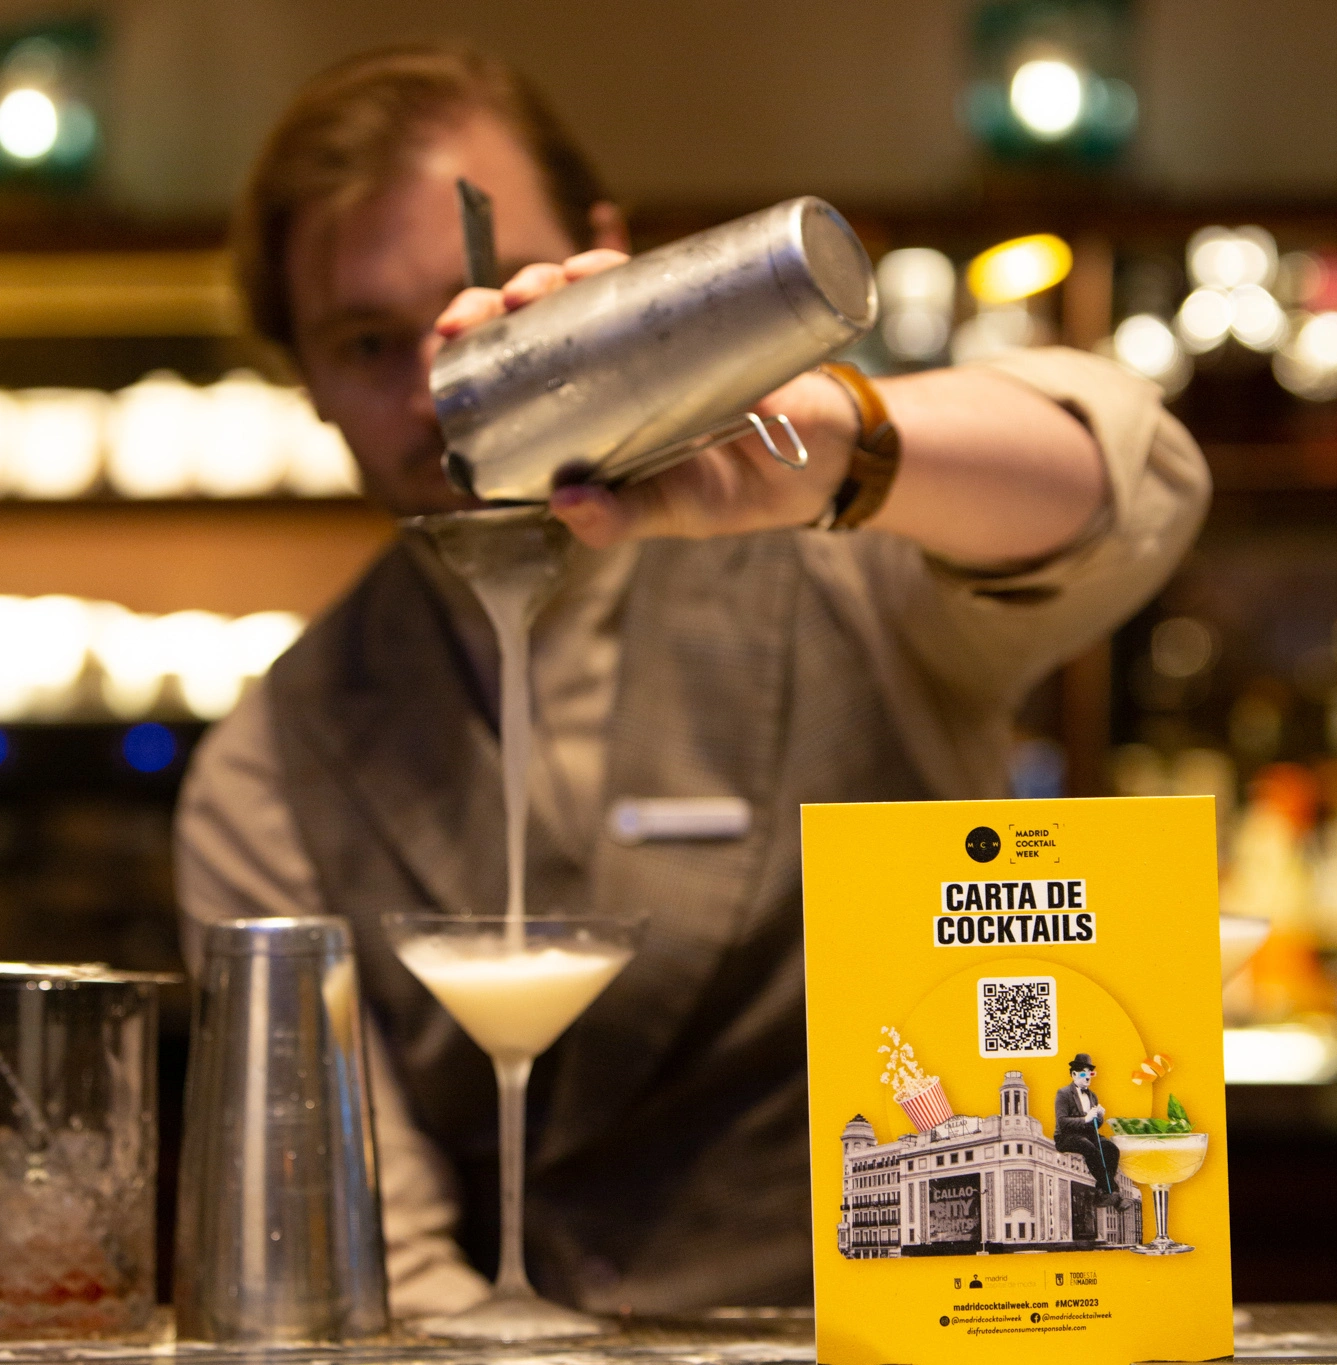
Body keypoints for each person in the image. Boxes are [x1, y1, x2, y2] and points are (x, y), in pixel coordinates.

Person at [175, 44, 1210, 1323]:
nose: (443, 389)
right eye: (369, 341)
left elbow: (1136, 490)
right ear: (308, 385)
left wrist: (825, 449)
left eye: (488, 300)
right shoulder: (271, 764)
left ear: (601, 255)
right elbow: (380, 1249)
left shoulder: (847, 565)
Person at [1053, 1052, 1121, 1206]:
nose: (1088, 1077)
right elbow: (1062, 1122)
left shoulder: (1093, 1096)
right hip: (1066, 1137)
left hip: (1088, 1135)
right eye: (1084, 1073)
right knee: (1088, 1147)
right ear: (1074, 1074)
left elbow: (1095, 1125)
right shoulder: (1063, 1093)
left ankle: (1101, 1191)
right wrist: (1085, 1119)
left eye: (1091, 1073)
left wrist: (1099, 1117)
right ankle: (1113, 1192)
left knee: (1111, 1149)